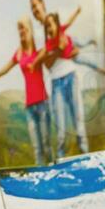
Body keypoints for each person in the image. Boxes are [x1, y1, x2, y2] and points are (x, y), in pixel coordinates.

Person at [0, 18, 53, 165]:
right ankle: (42, 178)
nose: (21, 31)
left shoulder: (38, 47)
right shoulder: (19, 54)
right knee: (37, 148)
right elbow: (8, 65)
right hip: (29, 106)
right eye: (19, 29)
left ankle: (54, 172)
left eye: (23, 28)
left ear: (29, 30)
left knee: (47, 145)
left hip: (43, 102)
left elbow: (48, 49)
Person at [40, 9, 88, 157]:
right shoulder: (47, 46)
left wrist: (65, 51)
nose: (49, 28)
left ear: (57, 24)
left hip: (71, 77)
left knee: (78, 120)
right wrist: (59, 50)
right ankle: (61, 158)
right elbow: (47, 65)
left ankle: (85, 154)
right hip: (56, 84)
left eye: (51, 24)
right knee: (61, 128)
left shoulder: (65, 36)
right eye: (46, 26)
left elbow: (75, 51)